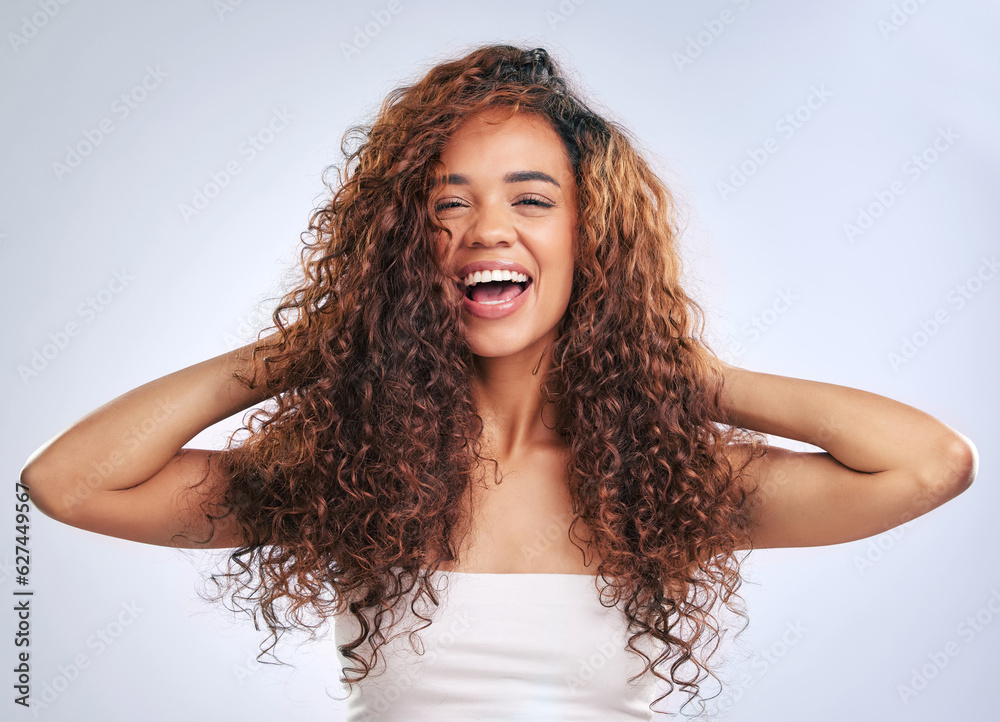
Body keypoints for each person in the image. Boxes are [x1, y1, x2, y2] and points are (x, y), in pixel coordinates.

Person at [21, 44, 978, 720]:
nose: (487, 229)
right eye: (448, 204)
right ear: (409, 247)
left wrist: (691, 377)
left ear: (591, 235)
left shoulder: (669, 483)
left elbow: (928, 463)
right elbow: (68, 485)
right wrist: (314, 346)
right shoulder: (353, 470)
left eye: (531, 198)